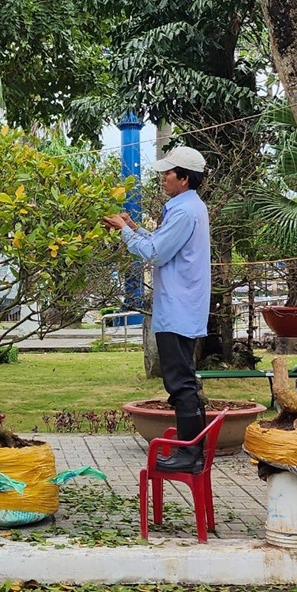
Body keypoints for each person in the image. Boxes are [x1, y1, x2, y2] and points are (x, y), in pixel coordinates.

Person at [103, 144, 212, 471]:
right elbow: (162, 244)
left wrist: (125, 233)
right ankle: (193, 449)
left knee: (180, 383)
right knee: (184, 380)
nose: (163, 177)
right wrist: (135, 229)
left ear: (185, 178)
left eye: (168, 172)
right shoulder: (188, 207)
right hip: (182, 307)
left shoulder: (182, 210)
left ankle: (190, 455)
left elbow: (156, 254)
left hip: (178, 309)